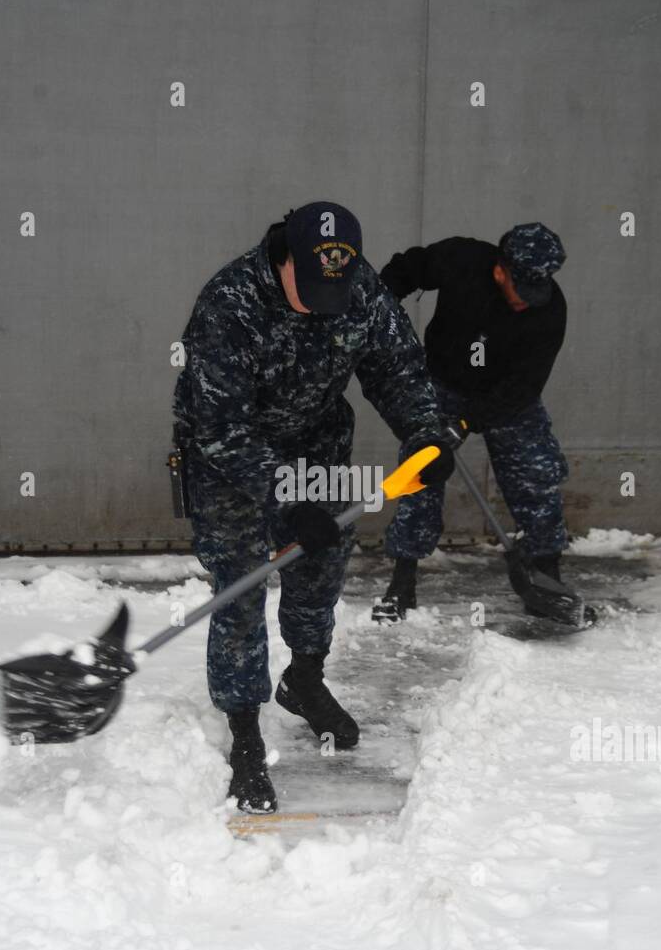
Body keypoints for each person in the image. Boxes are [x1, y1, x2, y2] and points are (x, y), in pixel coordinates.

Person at [173, 202, 452, 813]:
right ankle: (244, 731)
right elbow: (218, 428)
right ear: (284, 260)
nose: (329, 300)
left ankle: (303, 677)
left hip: (316, 445)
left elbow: (397, 369)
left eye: (339, 287)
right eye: (314, 288)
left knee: (318, 568)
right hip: (231, 460)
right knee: (241, 587)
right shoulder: (230, 302)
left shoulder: (358, 285)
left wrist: (425, 432)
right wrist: (287, 495)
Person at [374, 222, 571, 620]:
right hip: (443, 383)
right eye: (523, 289)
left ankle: (548, 576)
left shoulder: (549, 309)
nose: (529, 301)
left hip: (505, 398)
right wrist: (380, 312)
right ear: (501, 270)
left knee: (538, 471)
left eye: (539, 290)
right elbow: (407, 269)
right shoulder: (460, 259)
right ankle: (402, 581)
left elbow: (523, 387)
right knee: (421, 472)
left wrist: (467, 422)